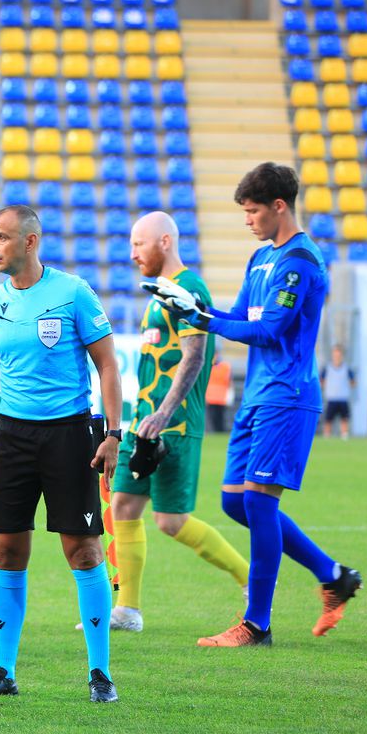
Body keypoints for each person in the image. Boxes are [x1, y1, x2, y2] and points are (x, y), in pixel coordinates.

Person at [146, 163, 362, 647]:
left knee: (260, 504)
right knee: (235, 502)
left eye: (253, 211)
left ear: (279, 206)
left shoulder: (301, 261)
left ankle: (257, 624)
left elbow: (268, 331)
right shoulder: (261, 259)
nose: (247, 220)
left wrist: (202, 319)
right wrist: (186, 306)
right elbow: (236, 317)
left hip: (287, 397)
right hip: (258, 397)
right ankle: (334, 575)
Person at [0, 204, 121, 704]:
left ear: (30, 241)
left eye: (1, 237)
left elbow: (107, 365)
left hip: (69, 436)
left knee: (82, 550)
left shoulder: (73, 292)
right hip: (12, 437)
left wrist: (113, 433)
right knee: (7, 551)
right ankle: (4, 671)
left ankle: (100, 673)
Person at [102, 211, 249, 633]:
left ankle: (251, 580)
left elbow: (196, 356)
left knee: (170, 521)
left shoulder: (190, 289)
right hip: (141, 422)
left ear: (165, 242)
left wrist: (164, 413)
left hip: (175, 424)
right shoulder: (158, 293)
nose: (132, 254)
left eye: (138, 244)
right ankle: (127, 611)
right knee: (123, 504)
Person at [320, 344, 354, 439]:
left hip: (343, 398)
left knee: (344, 418)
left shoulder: (347, 368)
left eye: (339, 354)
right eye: (335, 354)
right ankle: (327, 436)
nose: (337, 356)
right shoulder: (327, 368)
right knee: (328, 419)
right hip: (331, 398)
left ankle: (344, 436)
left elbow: (353, 382)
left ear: (342, 355)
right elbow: (321, 381)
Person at [205, 351, 232, 433]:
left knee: (220, 416)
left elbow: (229, 382)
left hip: (221, 396)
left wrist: (229, 395)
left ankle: (220, 431)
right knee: (212, 416)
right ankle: (215, 431)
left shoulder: (225, 367)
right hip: (210, 396)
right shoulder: (209, 367)